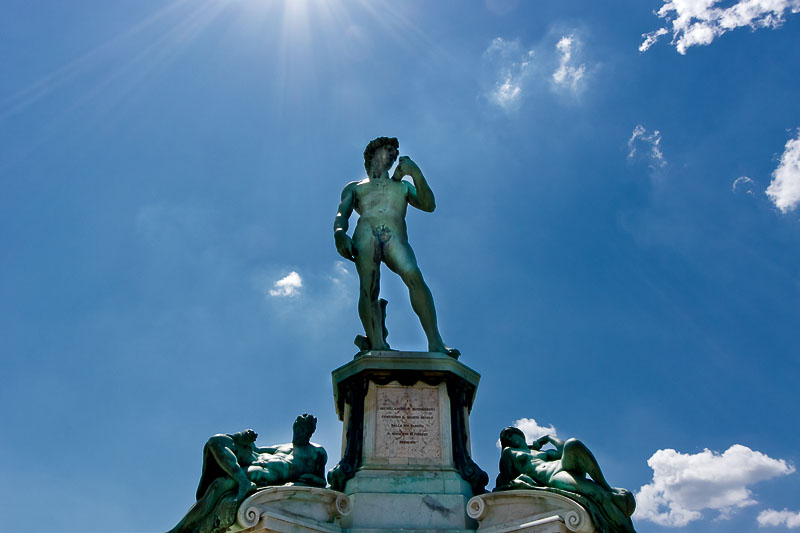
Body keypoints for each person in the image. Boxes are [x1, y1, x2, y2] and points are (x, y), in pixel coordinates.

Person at [334, 137, 458, 357]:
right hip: (366, 234)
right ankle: (377, 343)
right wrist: (339, 233)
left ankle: (435, 343)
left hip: (396, 237)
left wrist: (415, 172)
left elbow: (429, 205)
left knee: (414, 275)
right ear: (372, 154)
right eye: (388, 149)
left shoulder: (402, 186)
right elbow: (342, 212)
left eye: (395, 151)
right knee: (369, 288)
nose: (393, 154)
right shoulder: (355, 187)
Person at [167, 414, 327, 533]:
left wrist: (296, 484)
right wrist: (243, 438)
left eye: (303, 429)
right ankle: (178, 529)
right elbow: (257, 450)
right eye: (297, 427)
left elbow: (320, 481)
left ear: (310, 432)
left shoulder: (316, 452)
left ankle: (179, 530)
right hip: (252, 465)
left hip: (264, 475)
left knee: (218, 487)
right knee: (216, 441)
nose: (299, 432)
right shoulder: (283, 446)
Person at [497, 427, 635, 530]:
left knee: (573, 444)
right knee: (598, 494)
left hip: (561, 465)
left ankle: (607, 486)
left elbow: (563, 450)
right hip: (553, 476)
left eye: (510, 434)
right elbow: (507, 476)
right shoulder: (509, 452)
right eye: (506, 438)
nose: (508, 438)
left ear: (521, 435)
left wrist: (549, 437)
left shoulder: (538, 452)